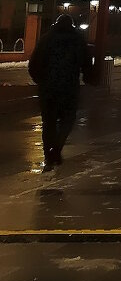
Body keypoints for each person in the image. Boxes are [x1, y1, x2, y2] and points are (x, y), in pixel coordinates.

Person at [28, 14, 93, 171]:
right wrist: (89, 78)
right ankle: (56, 148)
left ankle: (48, 155)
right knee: (67, 120)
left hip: (48, 88)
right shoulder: (78, 40)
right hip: (69, 88)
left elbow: (34, 64)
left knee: (48, 122)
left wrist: (41, 81)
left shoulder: (46, 39)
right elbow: (87, 63)